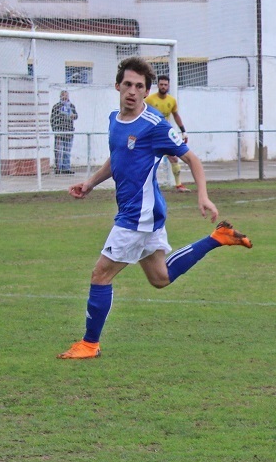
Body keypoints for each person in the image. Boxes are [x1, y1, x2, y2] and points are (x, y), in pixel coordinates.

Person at [57, 57, 253, 360]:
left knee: (101, 274)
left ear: (146, 91)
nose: (133, 91)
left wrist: (203, 196)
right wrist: (90, 183)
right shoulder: (114, 120)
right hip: (143, 212)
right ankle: (218, 237)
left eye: (139, 87)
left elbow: (192, 159)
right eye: (128, 84)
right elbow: (117, 157)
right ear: (118, 86)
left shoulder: (155, 125)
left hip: (139, 214)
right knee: (160, 278)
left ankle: (89, 344)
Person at [144, 74, 190, 192]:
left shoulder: (172, 100)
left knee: (174, 158)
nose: (163, 86)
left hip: (165, 135)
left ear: (168, 86)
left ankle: (178, 185)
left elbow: (176, 115)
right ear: (158, 85)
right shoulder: (149, 100)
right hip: (151, 135)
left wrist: (183, 131)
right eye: (161, 84)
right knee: (147, 161)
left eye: (165, 84)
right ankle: (145, 185)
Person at [50, 90, 78, 174]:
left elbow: (76, 116)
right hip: (59, 132)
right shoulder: (56, 107)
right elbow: (52, 119)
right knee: (58, 151)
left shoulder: (71, 106)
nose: (65, 97)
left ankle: (66, 168)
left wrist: (74, 116)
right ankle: (58, 168)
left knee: (67, 151)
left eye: (66, 95)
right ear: (60, 96)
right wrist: (55, 130)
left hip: (69, 132)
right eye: (63, 95)